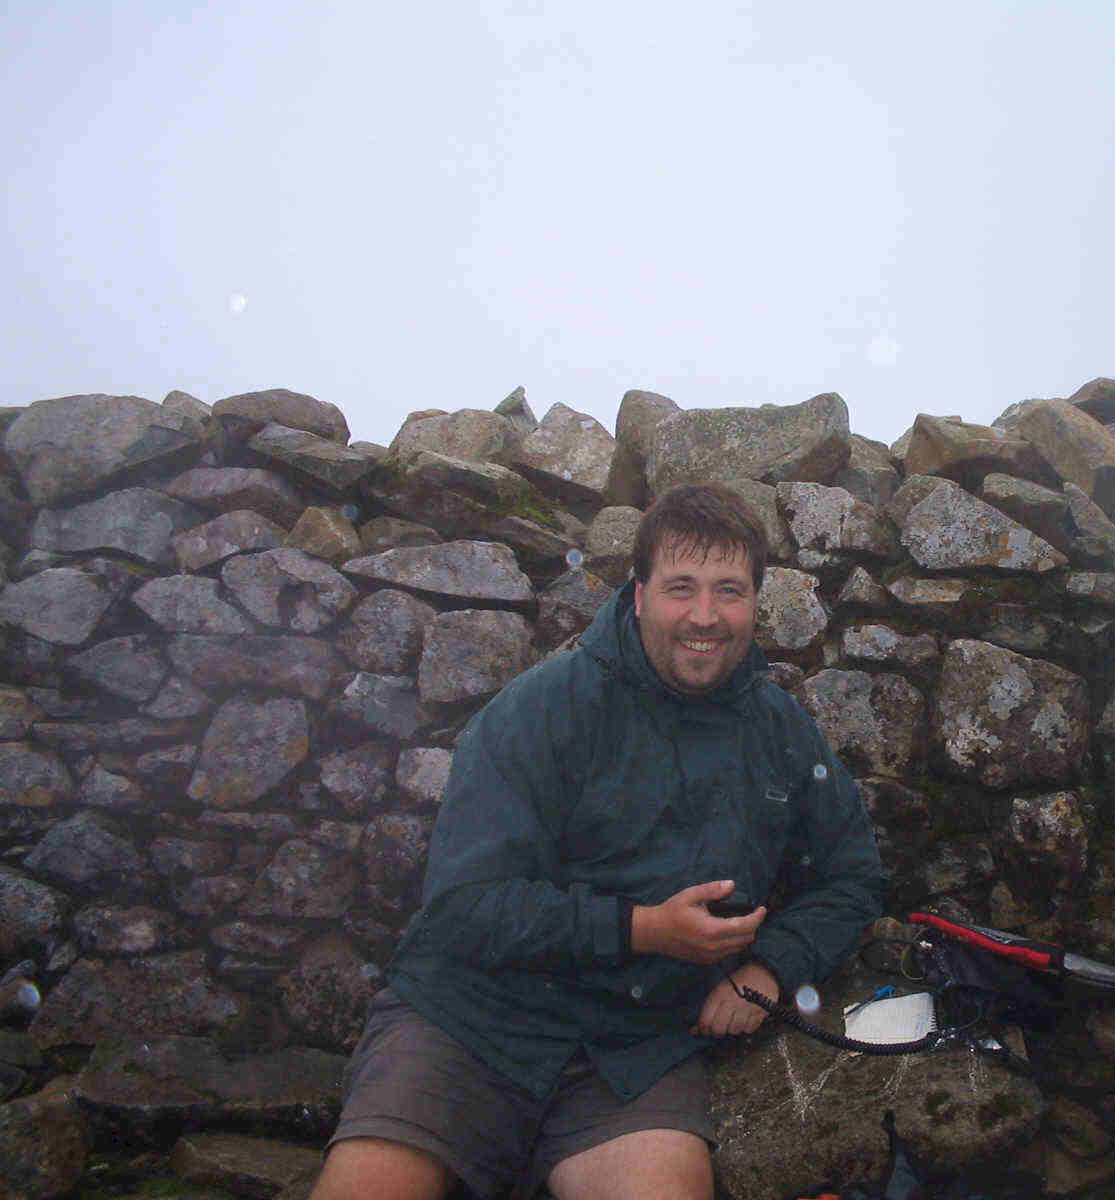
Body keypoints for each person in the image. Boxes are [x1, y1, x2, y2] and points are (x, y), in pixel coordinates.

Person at [311, 482, 885, 1200]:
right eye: (682, 588)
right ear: (639, 594)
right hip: (466, 1020)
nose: (705, 617)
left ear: (756, 603)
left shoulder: (782, 732)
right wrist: (641, 929)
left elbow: (852, 875)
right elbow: (462, 907)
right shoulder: (538, 709)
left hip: (635, 1047)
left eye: (729, 591)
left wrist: (770, 968)